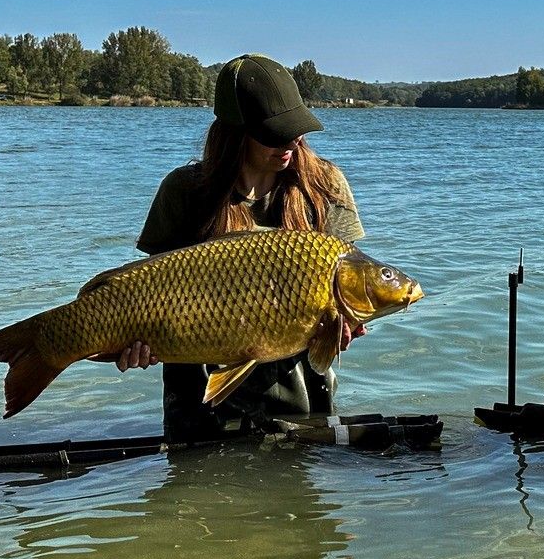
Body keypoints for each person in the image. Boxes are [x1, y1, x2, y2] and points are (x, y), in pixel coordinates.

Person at [114, 53, 366, 443]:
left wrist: (343, 326)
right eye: (275, 133)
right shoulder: (184, 191)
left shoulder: (325, 186)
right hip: (197, 409)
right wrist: (138, 344)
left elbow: (345, 283)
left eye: (296, 129)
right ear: (234, 134)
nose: (292, 141)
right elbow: (151, 297)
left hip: (301, 407)